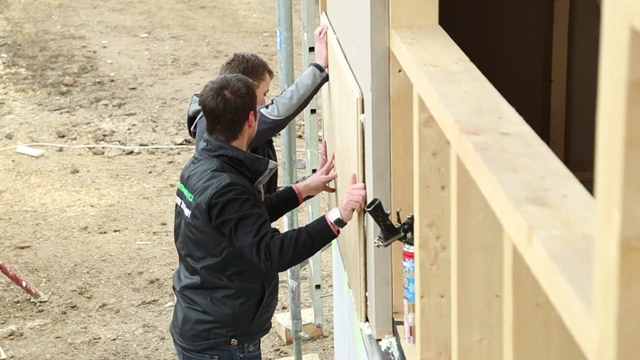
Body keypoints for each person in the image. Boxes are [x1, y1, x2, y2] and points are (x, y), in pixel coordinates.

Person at [170, 74, 367, 360]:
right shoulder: (225, 187)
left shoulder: (203, 165)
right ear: (251, 119)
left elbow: (242, 221)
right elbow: (272, 252)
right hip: (223, 341)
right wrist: (339, 215)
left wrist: (301, 190)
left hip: (205, 321)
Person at [186, 25, 330, 195]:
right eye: (264, 92)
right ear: (247, 84)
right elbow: (280, 111)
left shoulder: (213, 117)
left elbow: (263, 201)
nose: (264, 102)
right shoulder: (232, 119)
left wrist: (309, 184)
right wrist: (319, 67)